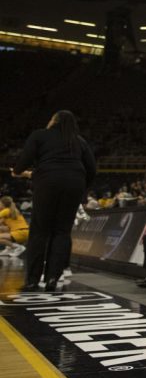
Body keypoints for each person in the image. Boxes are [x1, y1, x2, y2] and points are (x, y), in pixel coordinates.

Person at [13, 110, 96, 291]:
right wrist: (82, 189)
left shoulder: (40, 135)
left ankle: (33, 280)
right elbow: (92, 168)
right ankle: (52, 279)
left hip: (47, 182)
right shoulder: (79, 141)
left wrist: (18, 170)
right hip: (74, 183)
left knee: (39, 231)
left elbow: (24, 160)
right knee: (62, 232)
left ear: (54, 121)